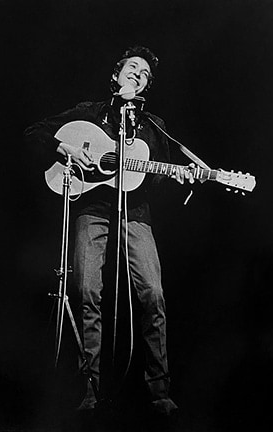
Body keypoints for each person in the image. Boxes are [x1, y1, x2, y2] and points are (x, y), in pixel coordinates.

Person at [24, 46, 194, 417]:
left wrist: (180, 175)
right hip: (91, 208)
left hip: (137, 214)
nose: (137, 74)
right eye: (132, 67)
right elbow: (34, 132)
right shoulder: (89, 113)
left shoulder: (154, 126)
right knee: (86, 289)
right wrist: (65, 147)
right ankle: (90, 389)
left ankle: (159, 391)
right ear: (116, 75)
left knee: (153, 293)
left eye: (145, 73)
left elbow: (161, 176)